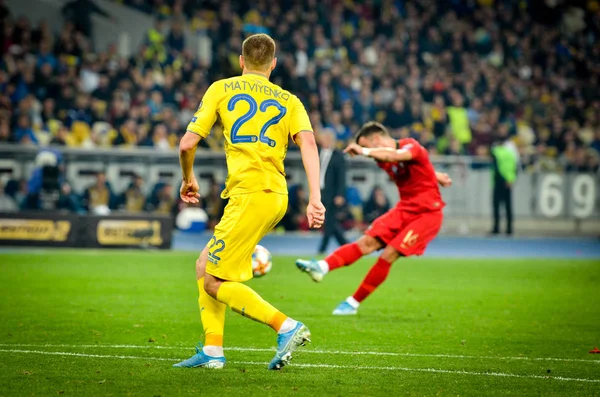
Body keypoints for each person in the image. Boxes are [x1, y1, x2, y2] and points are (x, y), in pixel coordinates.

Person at [174, 33, 325, 370]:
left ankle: (286, 327)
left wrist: (188, 179)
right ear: (273, 64)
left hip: (249, 195)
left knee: (213, 281)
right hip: (277, 196)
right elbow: (310, 145)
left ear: (241, 61)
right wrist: (314, 198)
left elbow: (186, 144)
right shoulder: (290, 100)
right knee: (204, 265)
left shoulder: (221, 88)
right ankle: (213, 352)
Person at [296, 122, 452, 315]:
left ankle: (352, 303)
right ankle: (322, 266)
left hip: (427, 213)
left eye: (368, 146)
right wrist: (435, 175)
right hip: (405, 209)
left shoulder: (410, 146)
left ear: (376, 139)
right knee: (366, 242)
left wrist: (363, 151)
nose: (368, 151)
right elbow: (410, 164)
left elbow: (397, 155)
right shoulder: (383, 160)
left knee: (388, 254)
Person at [317, 130, 348, 254]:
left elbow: (342, 177)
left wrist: (340, 194)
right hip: (320, 193)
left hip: (332, 194)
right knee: (331, 223)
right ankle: (346, 246)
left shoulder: (338, 156)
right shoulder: (317, 154)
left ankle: (322, 250)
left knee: (329, 222)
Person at [490, 129, 518, 235]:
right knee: (508, 206)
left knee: (497, 206)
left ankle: (496, 228)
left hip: (498, 181)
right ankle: (509, 229)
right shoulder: (511, 152)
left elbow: (496, 167)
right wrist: (511, 179)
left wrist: (505, 179)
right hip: (507, 182)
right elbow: (515, 167)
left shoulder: (495, 151)